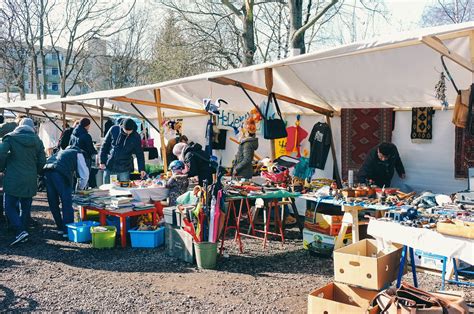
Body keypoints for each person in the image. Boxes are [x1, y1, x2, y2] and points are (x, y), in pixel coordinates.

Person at [0, 118, 46, 246]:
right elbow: (42, 161)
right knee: (25, 207)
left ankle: (19, 231)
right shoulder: (37, 141)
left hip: (13, 177)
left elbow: (1, 154)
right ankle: (23, 230)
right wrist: (35, 171)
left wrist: (2, 168)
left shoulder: (10, 138)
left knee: (9, 206)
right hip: (30, 178)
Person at [44, 145, 89, 235]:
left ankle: (60, 227)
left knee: (53, 201)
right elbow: (84, 174)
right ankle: (68, 230)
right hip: (60, 173)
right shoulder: (78, 153)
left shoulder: (62, 152)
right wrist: (80, 188)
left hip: (47, 170)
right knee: (66, 201)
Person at [99, 118, 146, 184]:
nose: (128, 133)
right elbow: (104, 146)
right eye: (126, 131)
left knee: (124, 191)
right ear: (122, 126)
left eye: (130, 131)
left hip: (124, 169)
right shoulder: (114, 129)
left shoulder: (136, 136)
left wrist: (142, 169)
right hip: (110, 166)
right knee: (107, 190)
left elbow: (139, 154)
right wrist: (102, 161)